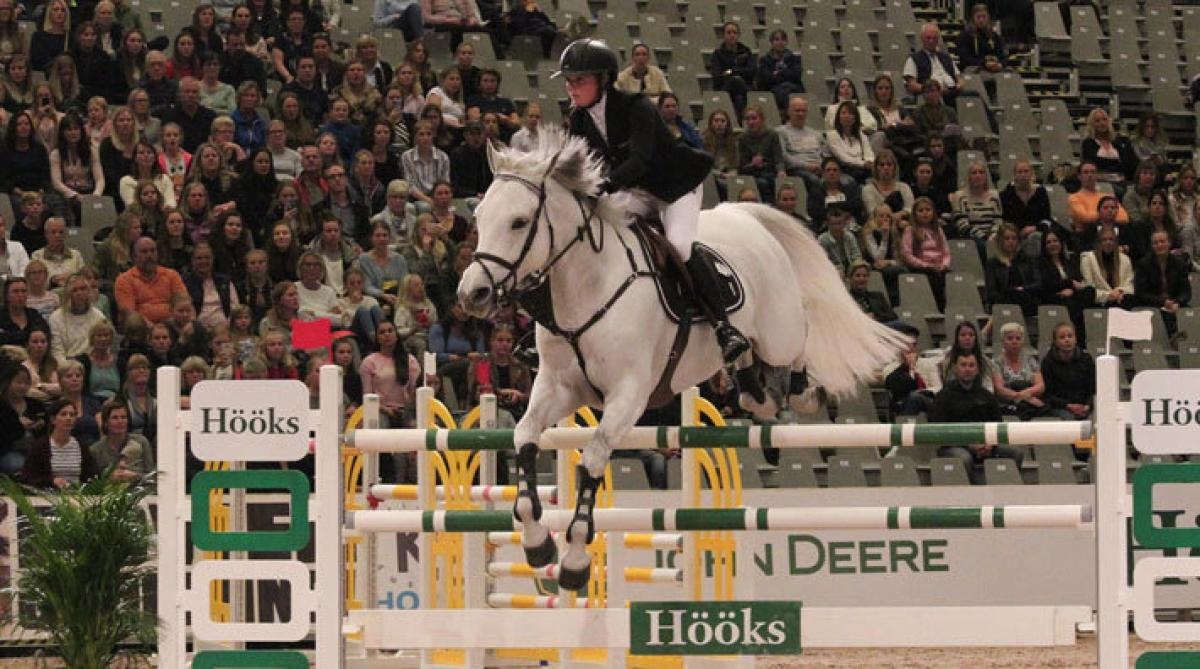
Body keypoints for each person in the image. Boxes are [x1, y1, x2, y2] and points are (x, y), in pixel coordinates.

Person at [557, 39, 748, 362]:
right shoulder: (578, 119)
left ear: (603, 79)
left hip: (675, 187)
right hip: (633, 192)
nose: (572, 88)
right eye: (569, 82)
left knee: (680, 245)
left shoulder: (636, 106)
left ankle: (723, 327)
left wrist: (601, 186)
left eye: (580, 80)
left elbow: (640, 160)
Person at [929, 351, 1022, 482]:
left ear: (977, 369)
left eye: (971, 365)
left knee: (1015, 452)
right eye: (963, 365)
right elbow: (939, 432)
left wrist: (990, 444)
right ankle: (974, 496)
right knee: (964, 458)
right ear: (955, 368)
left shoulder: (987, 396)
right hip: (954, 446)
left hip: (986, 444)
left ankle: (1004, 493)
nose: (967, 369)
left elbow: (997, 424)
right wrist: (969, 445)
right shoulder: (943, 396)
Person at [21, 397, 99, 488]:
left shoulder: (82, 447)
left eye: (72, 415)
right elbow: (27, 478)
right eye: (63, 414)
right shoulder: (40, 446)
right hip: (48, 496)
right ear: (53, 419)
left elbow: (92, 477)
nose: (68, 418)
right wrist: (51, 481)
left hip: (77, 496)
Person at [114, 235, 187, 325]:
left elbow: (184, 303)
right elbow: (129, 314)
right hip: (142, 330)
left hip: (172, 327)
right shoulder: (124, 280)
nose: (149, 255)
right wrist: (155, 330)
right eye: (144, 252)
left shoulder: (172, 275)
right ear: (134, 256)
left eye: (153, 251)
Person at [1135, 229, 1191, 334]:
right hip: (1152, 304)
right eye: (1156, 243)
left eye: (1162, 241)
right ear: (1152, 246)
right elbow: (1140, 293)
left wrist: (1178, 302)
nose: (1159, 245)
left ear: (1169, 243)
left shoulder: (1180, 264)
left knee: (1190, 314)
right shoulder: (1143, 264)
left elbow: (1186, 292)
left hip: (1174, 304)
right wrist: (1163, 302)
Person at [901, 196, 951, 311]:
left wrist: (944, 265)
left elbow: (946, 252)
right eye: (921, 210)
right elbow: (907, 255)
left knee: (953, 278)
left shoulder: (938, 230)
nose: (925, 213)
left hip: (938, 266)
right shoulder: (910, 230)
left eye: (928, 210)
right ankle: (940, 309)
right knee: (935, 278)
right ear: (915, 214)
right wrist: (926, 265)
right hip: (922, 266)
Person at [1040, 322, 1095, 420]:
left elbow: (1093, 388)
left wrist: (1088, 405)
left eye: (1070, 336)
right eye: (1062, 337)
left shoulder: (1086, 359)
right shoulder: (1048, 362)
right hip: (1060, 407)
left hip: (1085, 405)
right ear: (1056, 342)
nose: (1067, 340)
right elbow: (1047, 394)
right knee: (1070, 420)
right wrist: (1068, 406)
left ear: (1076, 339)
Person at [985, 222, 1041, 316]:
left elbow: (1038, 284)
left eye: (1014, 238)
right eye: (1007, 238)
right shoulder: (993, 263)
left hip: (1025, 299)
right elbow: (991, 292)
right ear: (1000, 241)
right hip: (1004, 301)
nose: (1011, 241)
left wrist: (1023, 288)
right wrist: (1010, 293)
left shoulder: (1027, 260)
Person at [736, 104, 785, 204]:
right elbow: (741, 167)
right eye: (748, 119)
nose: (751, 122)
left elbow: (778, 158)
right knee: (763, 183)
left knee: (777, 181)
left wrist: (781, 170)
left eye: (754, 118)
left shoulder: (772, 135)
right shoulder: (742, 138)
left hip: (770, 171)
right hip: (752, 174)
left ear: (761, 120)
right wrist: (752, 164)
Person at [903, 22, 962, 100]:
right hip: (930, 96)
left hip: (952, 91)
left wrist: (959, 85)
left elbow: (960, 78)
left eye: (934, 38)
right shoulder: (913, 59)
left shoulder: (946, 57)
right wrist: (932, 91)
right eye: (928, 38)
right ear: (922, 38)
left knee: (974, 95)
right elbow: (911, 85)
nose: (931, 41)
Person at [709, 22, 754, 118]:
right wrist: (737, 73)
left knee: (739, 97)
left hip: (744, 88)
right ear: (724, 35)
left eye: (734, 32)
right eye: (728, 33)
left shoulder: (746, 51)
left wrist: (732, 71)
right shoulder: (718, 54)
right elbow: (717, 77)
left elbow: (751, 72)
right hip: (725, 88)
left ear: (738, 35)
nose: (732, 35)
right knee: (736, 81)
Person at [755, 29, 802, 111]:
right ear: (771, 42)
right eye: (776, 39)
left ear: (786, 42)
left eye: (783, 39)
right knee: (782, 92)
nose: (780, 42)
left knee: (789, 90)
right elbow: (767, 79)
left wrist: (778, 73)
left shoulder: (794, 59)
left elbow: (796, 75)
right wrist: (785, 74)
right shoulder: (765, 60)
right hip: (772, 90)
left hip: (792, 88)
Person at [957, 3, 1006, 73]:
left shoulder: (994, 36)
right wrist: (984, 63)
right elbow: (964, 59)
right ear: (973, 18)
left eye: (984, 16)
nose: (981, 20)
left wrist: (1001, 64)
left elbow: (1003, 56)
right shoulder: (964, 36)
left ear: (988, 17)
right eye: (978, 17)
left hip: (995, 68)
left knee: (1011, 76)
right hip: (974, 69)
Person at [817, 205, 861, 276]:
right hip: (832, 270)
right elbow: (823, 261)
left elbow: (856, 255)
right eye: (834, 224)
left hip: (850, 267)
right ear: (828, 224)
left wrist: (855, 268)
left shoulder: (849, 236)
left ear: (844, 223)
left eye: (839, 223)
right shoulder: (822, 240)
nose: (837, 227)